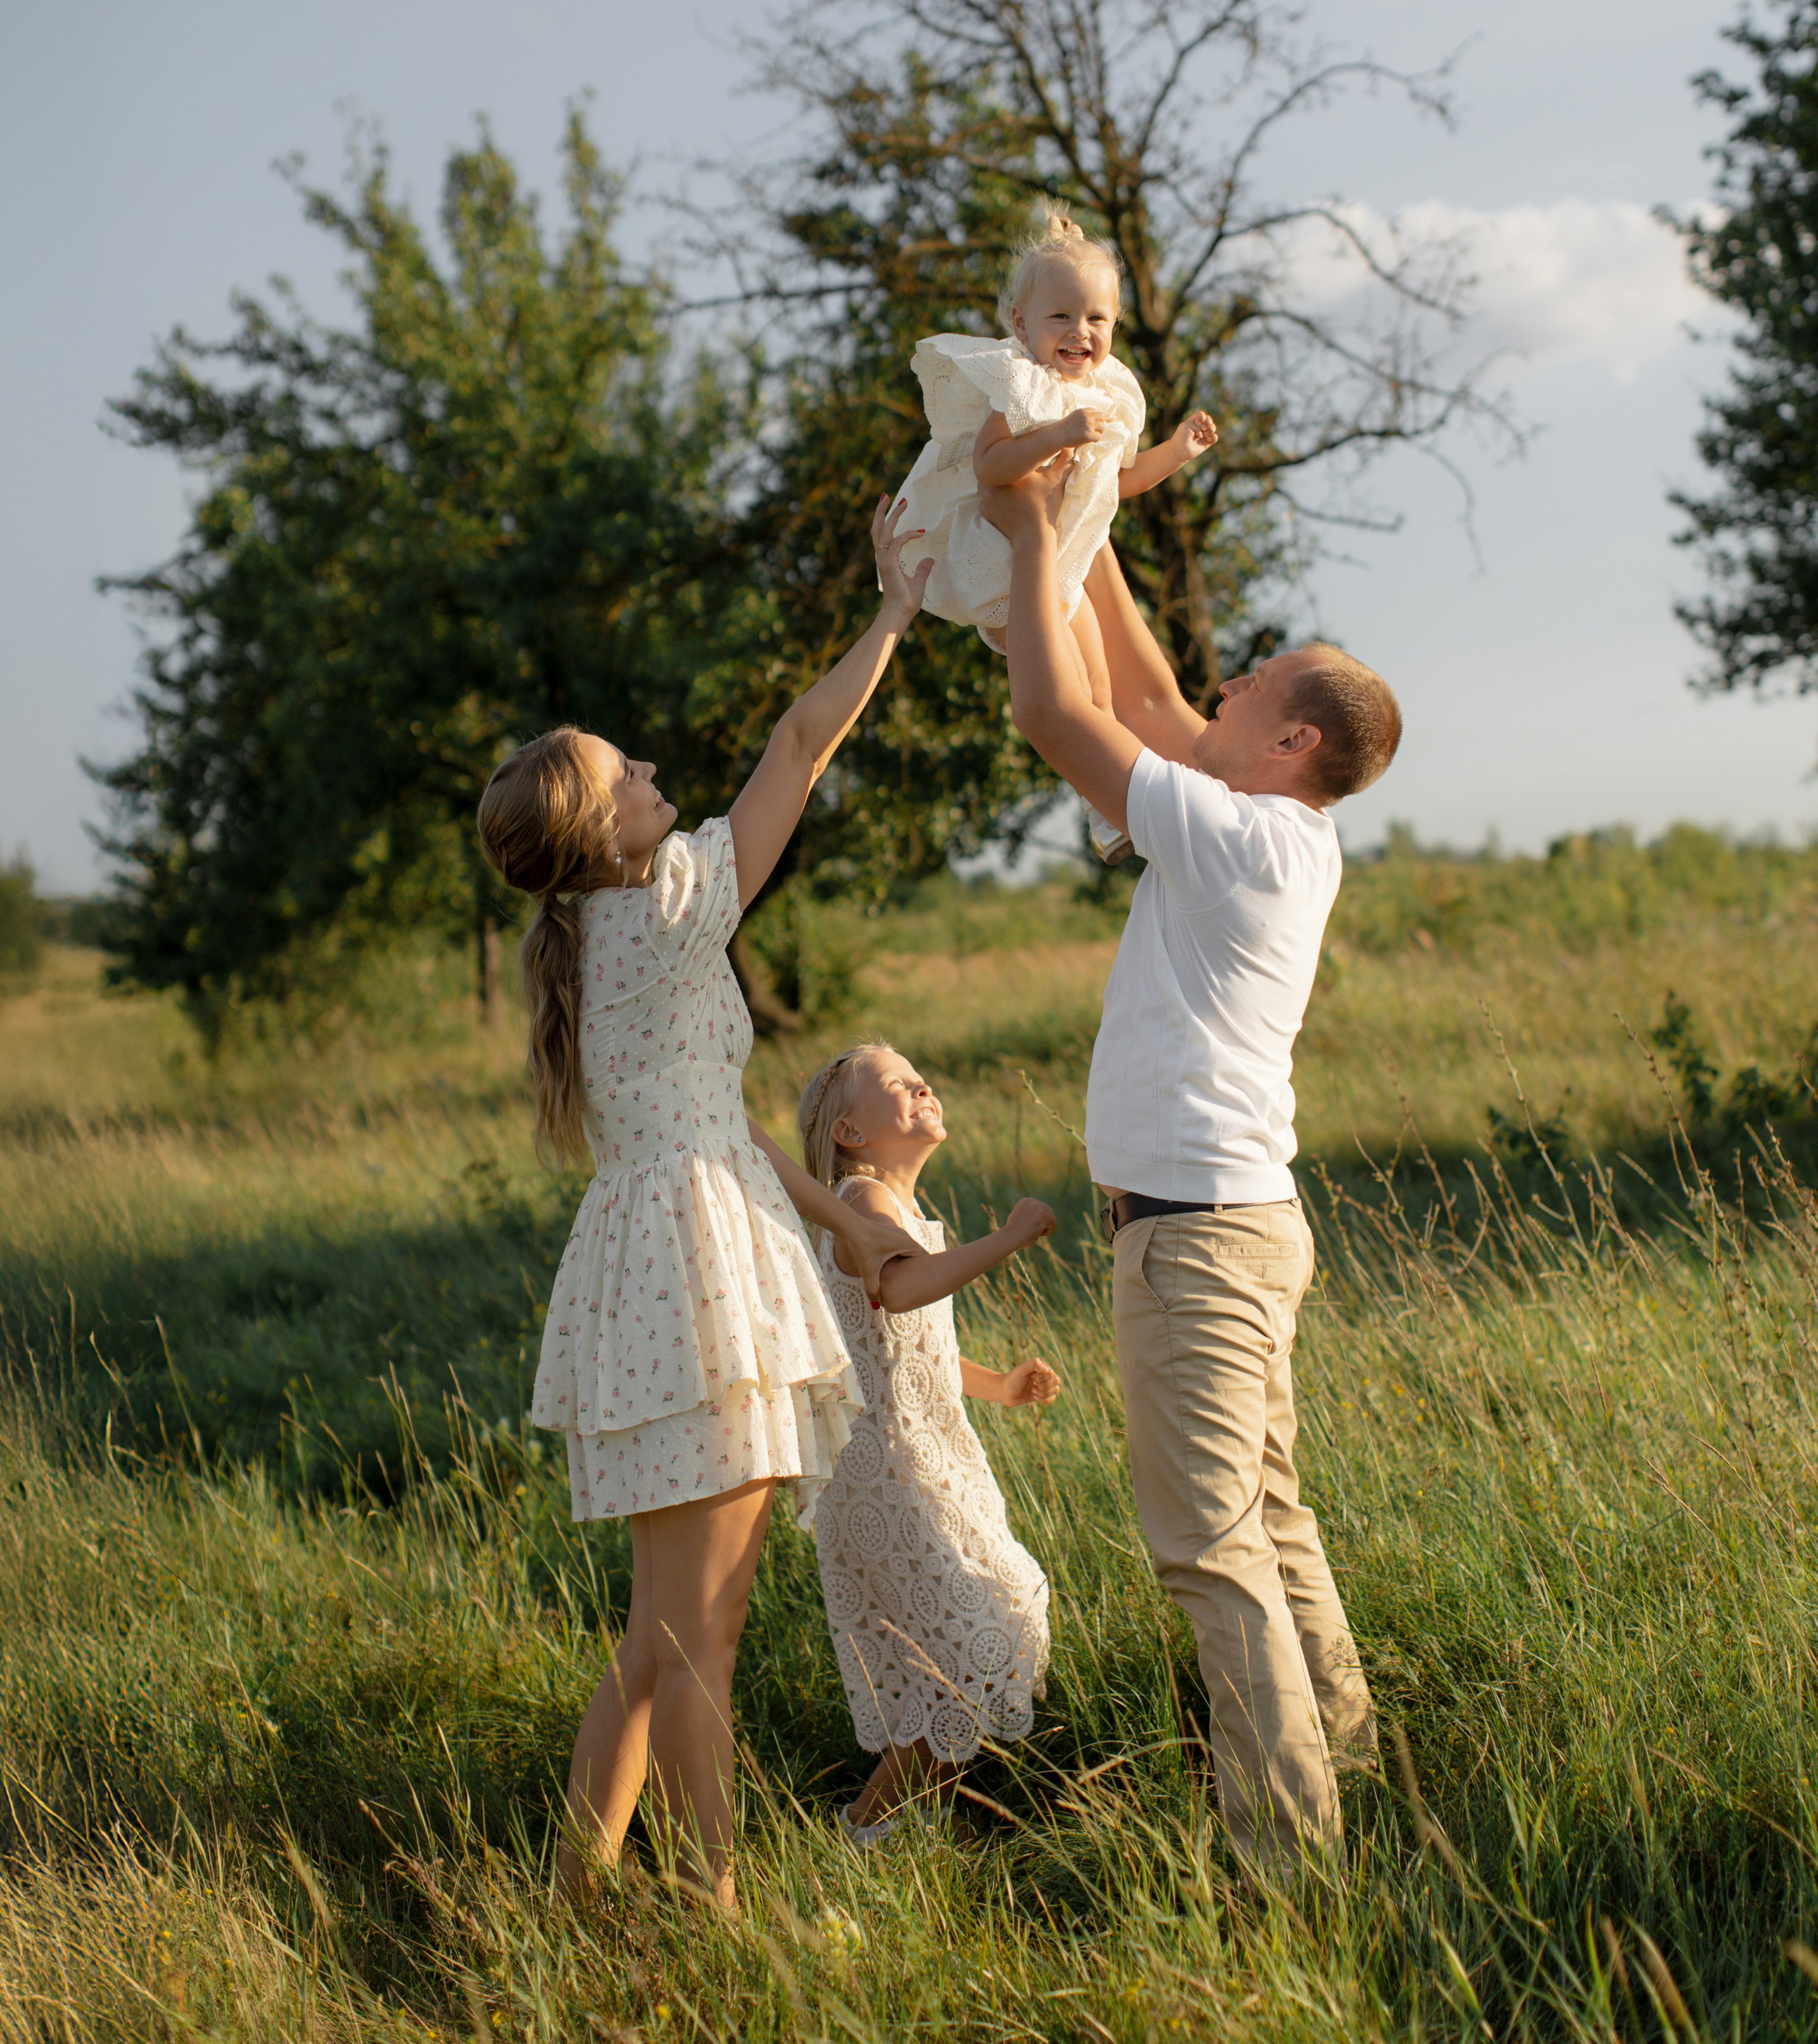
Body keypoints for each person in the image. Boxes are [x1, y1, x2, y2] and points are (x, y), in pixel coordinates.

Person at [474, 497, 931, 1915]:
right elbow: (801, 743)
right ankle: (718, 1904)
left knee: (660, 1634)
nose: (657, 769)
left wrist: (836, 1213)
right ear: (603, 833)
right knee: (699, 1637)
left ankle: (578, 1889)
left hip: (667, 1257)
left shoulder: (597, 938)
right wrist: (894, 611)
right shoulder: (668, 901)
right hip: (692, 1279)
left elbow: (709, 1127)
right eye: (630, 772)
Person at [978, 464, 1402, 1878]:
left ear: (1288, 737)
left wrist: (1031, 536)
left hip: (1198, 1239)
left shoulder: (1234, 839)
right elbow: (1151, 703)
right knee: (1267, 1523)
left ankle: (1286, 1865)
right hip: (1237, 1225)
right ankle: (1343, 1767)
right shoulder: (1273, 816)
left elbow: (1059, 713)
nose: (1219, 678)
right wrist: (1090, 518)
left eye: (1251, 678)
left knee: (1212, 1555)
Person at [793, 1043, 1061, 1846]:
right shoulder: (861, 1201)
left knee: (967, 1647)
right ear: (848, 1130)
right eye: (893, 1083)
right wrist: (1006, 1239)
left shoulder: (899, 1211)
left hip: (926, 1457)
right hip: (888, 1471)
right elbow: (903, 1287)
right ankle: (865, 1831)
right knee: (981, 1638)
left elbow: (912, 1352)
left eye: (921, 1075)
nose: (920, 1084)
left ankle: (898, 1828)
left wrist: (1001, 1385)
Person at [892, 209, 1217, 862]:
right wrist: (1060, 433)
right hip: (1006, 571)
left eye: (1096, 318)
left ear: (1115, 326)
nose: (1080, 332)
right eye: (1060, 316)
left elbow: (1114, 485)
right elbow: (992, 467)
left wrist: (1176, 452)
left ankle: (1108, 810)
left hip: (1060, 573)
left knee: (1098, 691)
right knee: (1065, 692)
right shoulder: (1022, 385)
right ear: (1021, 323)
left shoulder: (1109, 398)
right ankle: (1107, 802)